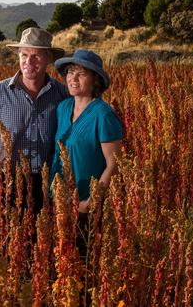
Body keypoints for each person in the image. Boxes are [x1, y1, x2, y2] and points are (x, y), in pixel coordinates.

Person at [0, 27, 69, 215]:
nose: (28, 62)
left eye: (36, 56)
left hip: (49, 184)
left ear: (48, 59)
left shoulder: (62, 94)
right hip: (7, 182)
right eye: (24, 55)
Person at [50, 49, 123, 257]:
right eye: (71, 71)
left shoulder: (104, 114)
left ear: (95, 80)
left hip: (85, 204)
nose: (73, 78)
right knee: (61, 260)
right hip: (60, 199)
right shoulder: (63, 107)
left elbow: (114, 164)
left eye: (81, 73)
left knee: (83, 262)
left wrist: (91, 200)